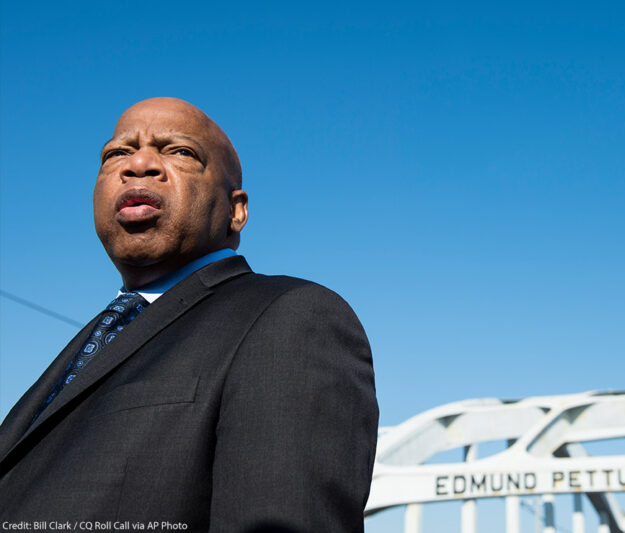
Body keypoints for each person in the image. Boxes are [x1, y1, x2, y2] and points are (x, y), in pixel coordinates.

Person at [0, 98, 379, 532]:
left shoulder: (289, 318)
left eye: (179, 152)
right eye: (116, 153)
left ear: (236, 211)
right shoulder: (95, 340)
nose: (139, 163)